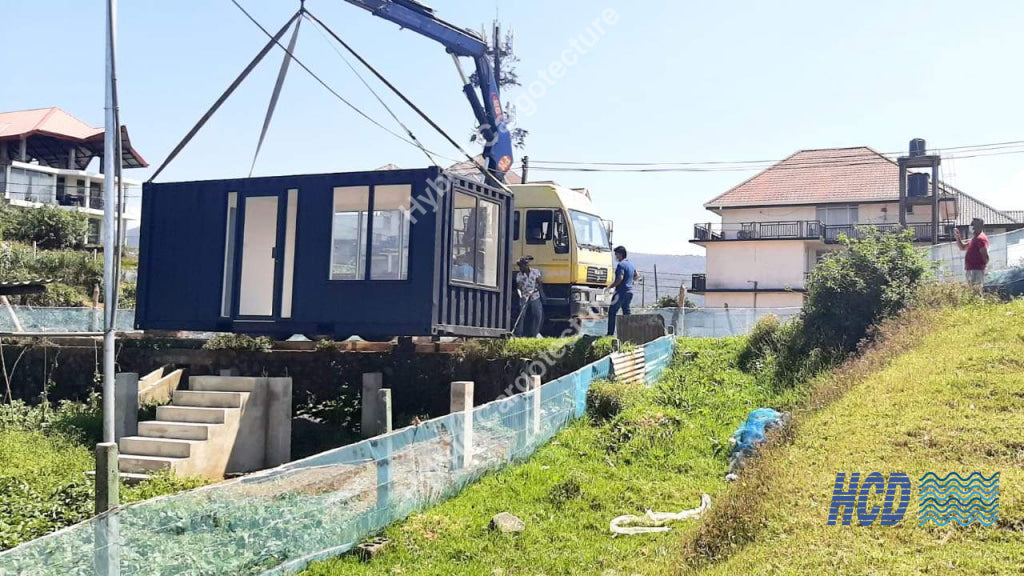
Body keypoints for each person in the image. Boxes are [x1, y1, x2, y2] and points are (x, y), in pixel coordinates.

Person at [607, 246, 639, 336]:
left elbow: (619, 278)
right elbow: (636, 275)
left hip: (620, 292)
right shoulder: (631, 265)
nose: (616, 256)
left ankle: (610, 334)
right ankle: (629, 334)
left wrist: (610, 287)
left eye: (616, 254)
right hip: (629, 292)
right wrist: (630, 281)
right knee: (626, 313)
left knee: (612, 312)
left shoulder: (621, 265)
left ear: (620, 254)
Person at [955, 217, 989, 290]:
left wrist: (983, 268)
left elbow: (985, 256)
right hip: (971, 269)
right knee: (972, 291)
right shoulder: (974, 239)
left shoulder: (981, 239)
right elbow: (962, 247)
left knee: (975, 292)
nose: (971, 226)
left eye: (973, 224)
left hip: (976, 270)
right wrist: (957, 236)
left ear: (979, 226)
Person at [515, 257, 544, 337]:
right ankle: (518, 334)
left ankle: (534, 333)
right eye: (519, 266)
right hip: (524, 296)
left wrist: (534, 290)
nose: (520, 268)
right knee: (521, 315)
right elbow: (519, 287)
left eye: (521, 266)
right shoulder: (519, 275)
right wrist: (521, 295)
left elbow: (540, 284)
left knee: (537, 315)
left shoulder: (535, 272)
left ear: (526, 265)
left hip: (535, 296)